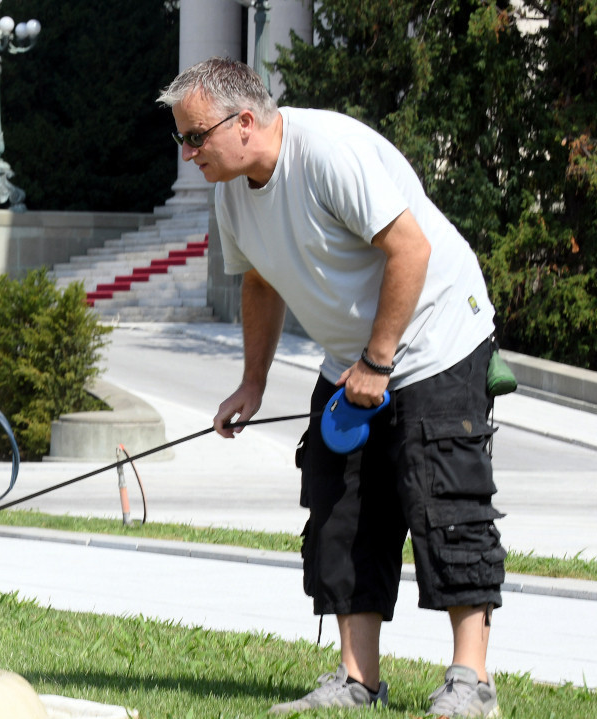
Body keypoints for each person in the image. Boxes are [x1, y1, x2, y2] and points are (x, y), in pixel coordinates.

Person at [158, 57, 505, 717]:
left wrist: (378, 361)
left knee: (445, 502)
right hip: (352, 356)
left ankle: (471, 680)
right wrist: (251, 383)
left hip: (435, 338)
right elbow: (259, 281)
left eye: (195, 136)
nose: (188, 151)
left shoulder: (328, 153)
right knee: (338, 506)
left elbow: (411, 249)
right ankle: (357, 679)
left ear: (246, 122)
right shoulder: (231, 192)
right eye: (183, 138)